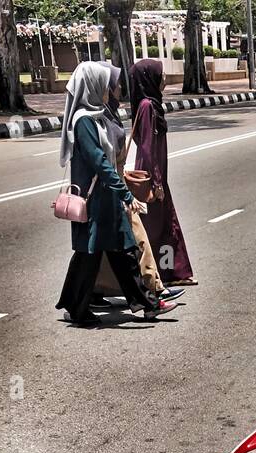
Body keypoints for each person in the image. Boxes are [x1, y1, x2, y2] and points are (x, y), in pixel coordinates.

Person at [55, 61, 163, 328]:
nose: (110, 89)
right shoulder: (83, 122)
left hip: (107, 200)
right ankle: (141, 303)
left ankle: (146, 303)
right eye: (106, 84)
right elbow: (99, 163)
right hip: (96, 203)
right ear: (93, 86)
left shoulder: (96, 116)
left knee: (119, 249)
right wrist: (126, 195)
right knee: (92, 255)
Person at [91, 64, 182, 311]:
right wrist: (155, 181)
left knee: (110, 249)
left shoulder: (107, 114)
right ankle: (154, 291)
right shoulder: (91, 120)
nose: (120, 88)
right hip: (114, 191)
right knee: (138, 241)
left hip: (118, 188)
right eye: (115, 84)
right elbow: (142, 150)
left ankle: (98, 290)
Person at [128, 59, 196, 287]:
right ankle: (152, 277)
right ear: (150, 78)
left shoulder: (150, 104)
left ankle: (172, 273)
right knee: (155, 230)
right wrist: (156, 183)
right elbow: (147, 148)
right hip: (152, 177)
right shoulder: (147, 107)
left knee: (166, 226)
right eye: (161, 74)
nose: (164, 78)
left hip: (158, 176)